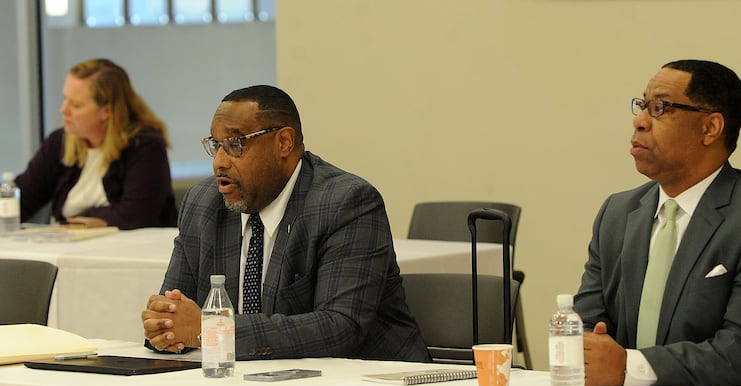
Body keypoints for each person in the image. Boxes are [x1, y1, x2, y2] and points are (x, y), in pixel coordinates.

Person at [140, 85, 430, 362]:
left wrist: (214, 330)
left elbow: (340, 327)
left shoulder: (345, 202)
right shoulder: (203, 204)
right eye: (216, 145)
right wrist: (164, 325)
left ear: (284, 142)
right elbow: (177, 317)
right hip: (254, 381)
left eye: (235, 144)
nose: (219, 162)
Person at [576, 60, 741, 386]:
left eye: (660, 108)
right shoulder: (617, 213)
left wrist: (629, 367)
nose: (640, 121)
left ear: (710, 128)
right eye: (642, 105)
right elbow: (589, 324)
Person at [15, 58, 177, 229]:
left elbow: (136, 214)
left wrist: (70, 222)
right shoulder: (59, 143)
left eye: (75, 105)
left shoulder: (145, 146)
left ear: (106, 111)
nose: (63, 110)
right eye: (65, 99)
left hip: (129, 250)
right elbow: (23, 198)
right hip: (71, 249)